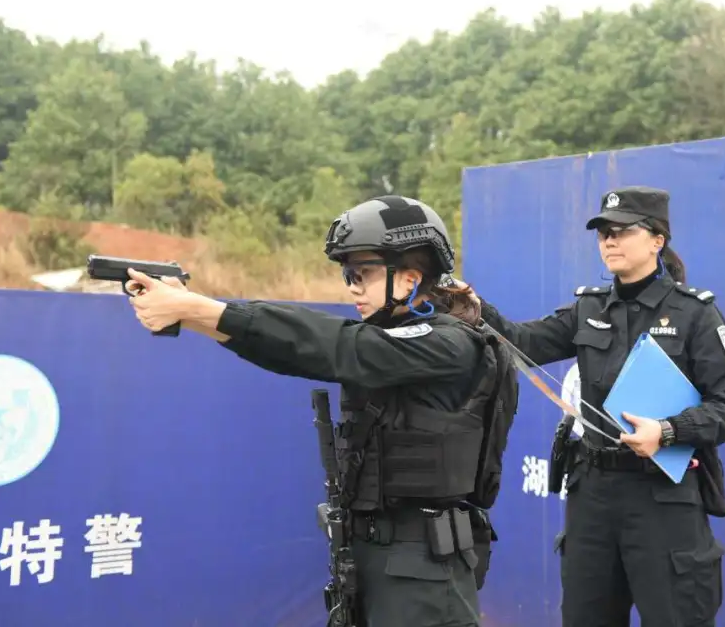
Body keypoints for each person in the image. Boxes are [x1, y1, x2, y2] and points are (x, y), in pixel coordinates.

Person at [124, 195, 517, 627]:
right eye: (348, 274)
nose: (351, 286)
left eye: (362, 274)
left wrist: (199, 309)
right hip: (373, 560)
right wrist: (194, 313)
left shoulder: (448, 342)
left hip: (422, 574)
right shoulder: (395, 336)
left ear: (408, 279)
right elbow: (299, 353)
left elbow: (339, 346)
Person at [461, 185, 725, 627]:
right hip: (592, 497)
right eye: (602, 232)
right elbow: (524, 341)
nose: (609, 240)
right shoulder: (588, 307)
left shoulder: (696, 315)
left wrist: (667, 431)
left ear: (657, 240)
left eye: (622, 230)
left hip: (663, 499)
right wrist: (477, 313)